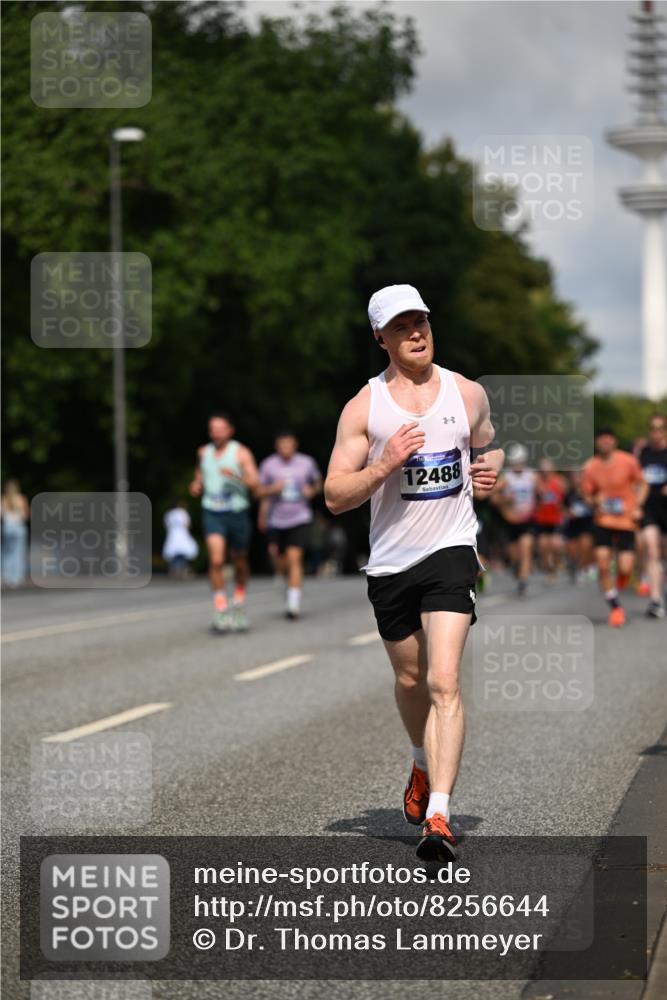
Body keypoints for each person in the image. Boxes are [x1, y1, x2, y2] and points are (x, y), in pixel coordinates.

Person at [324, 284, 502, 862]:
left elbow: (490, 444)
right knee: (410, 680)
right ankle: (421, 763)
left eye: (421, 320)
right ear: (381, 338)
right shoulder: (365, 407)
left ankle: (441, 815)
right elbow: (334, 494)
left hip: (452, 549)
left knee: (444, 681)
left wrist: (487, 469)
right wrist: (385, 463)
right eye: (401, 326)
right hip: (391, 562)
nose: (416, 332)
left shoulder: (466, 392)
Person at [189, 413, 259, 632]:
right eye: (212, 428)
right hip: (213, 511)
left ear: (230, 430)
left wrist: (236, 475)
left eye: (220, 428)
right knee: (217, 560)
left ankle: (238, 603)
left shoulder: (240, 452)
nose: (216, 432)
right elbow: (200, 474)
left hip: (237, 511)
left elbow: (255, 482)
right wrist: (196, 484)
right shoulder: (203, 452)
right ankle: (220, 608)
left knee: (239, 560)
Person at [581, 428, 648, 627]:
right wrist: (593, 500)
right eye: (601, 440)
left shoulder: (628, 461)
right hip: (603, 520)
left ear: (614, 441)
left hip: (627, 520)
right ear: (596, 443)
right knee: (602, 564)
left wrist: (638, 506)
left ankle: (622, 578)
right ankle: (616, 608)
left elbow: (642, 484)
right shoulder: (591, 466)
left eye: (608, 439)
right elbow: (586, 493)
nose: (605, 443)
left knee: (625, 567)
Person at [257, 432, 322, 619]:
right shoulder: (269, 464)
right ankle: (285, 579)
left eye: (289, 445)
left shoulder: (306, 462)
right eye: (282, 445)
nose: (286, 448)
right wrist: (271, 491)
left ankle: (293, 604)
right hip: (276, 519)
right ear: (277, 447)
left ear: (295, 445)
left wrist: (312, 490)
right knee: (278, 558)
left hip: (299, 518)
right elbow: (260, 491)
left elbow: (319, 483)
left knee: (295, 558)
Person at [491, 444, 536, 595]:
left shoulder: (532, 476)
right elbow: (493, 498)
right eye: (515, 462)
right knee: (514, 555)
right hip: (510, 522)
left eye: (520, 461)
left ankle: (523, 581)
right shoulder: (506, 477)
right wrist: (505, 499)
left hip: (526, 521)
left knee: (526, 548)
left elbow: (543, 495)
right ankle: (517, 568)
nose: (517, 464)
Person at [638, 414, 667, 618]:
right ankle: (656, 600)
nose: (656, 432)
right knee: (651, 549)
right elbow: (636, 479)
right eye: (652, 428)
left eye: (660, 428)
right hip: (649, 508)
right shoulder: (643, 453)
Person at [533, 458, 567, 581]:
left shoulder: (559, 480)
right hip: (542, 518)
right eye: (543, 468)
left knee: (556, 545)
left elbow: (564, 497)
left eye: (548, 467)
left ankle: (557, 563)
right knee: (543, 546)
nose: (545, 470)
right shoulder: (537, 481)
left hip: (555, 518)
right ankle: (548, 568)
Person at [563, 470, 595, 584]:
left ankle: (584, 568)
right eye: (574, 478)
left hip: (586, 524)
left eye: (579, 477)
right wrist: (568, 513)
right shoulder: (568, 494)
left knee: (585, 545)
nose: (577, 480)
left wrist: (587, 498)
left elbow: (596, 505)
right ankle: (575, 566)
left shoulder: (588, 491)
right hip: (573, 525)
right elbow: (563, 508)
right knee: (573, 551)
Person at [1, 480, 29, 587]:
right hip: (18, 528)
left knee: (6, 553)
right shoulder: (21, 499)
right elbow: (25, 515)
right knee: (18, 552)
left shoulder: (3, 499)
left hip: (7, 528)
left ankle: (7, 576)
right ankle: (17, 577)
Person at [162, 501, 199, 578]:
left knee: (174, 554)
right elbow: (187, 524)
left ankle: (174, 570)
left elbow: (166, 526)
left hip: (172, 535)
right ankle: (181, 570)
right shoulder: (183, 512)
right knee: (183, 553)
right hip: (182, 534)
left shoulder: (169, 514)